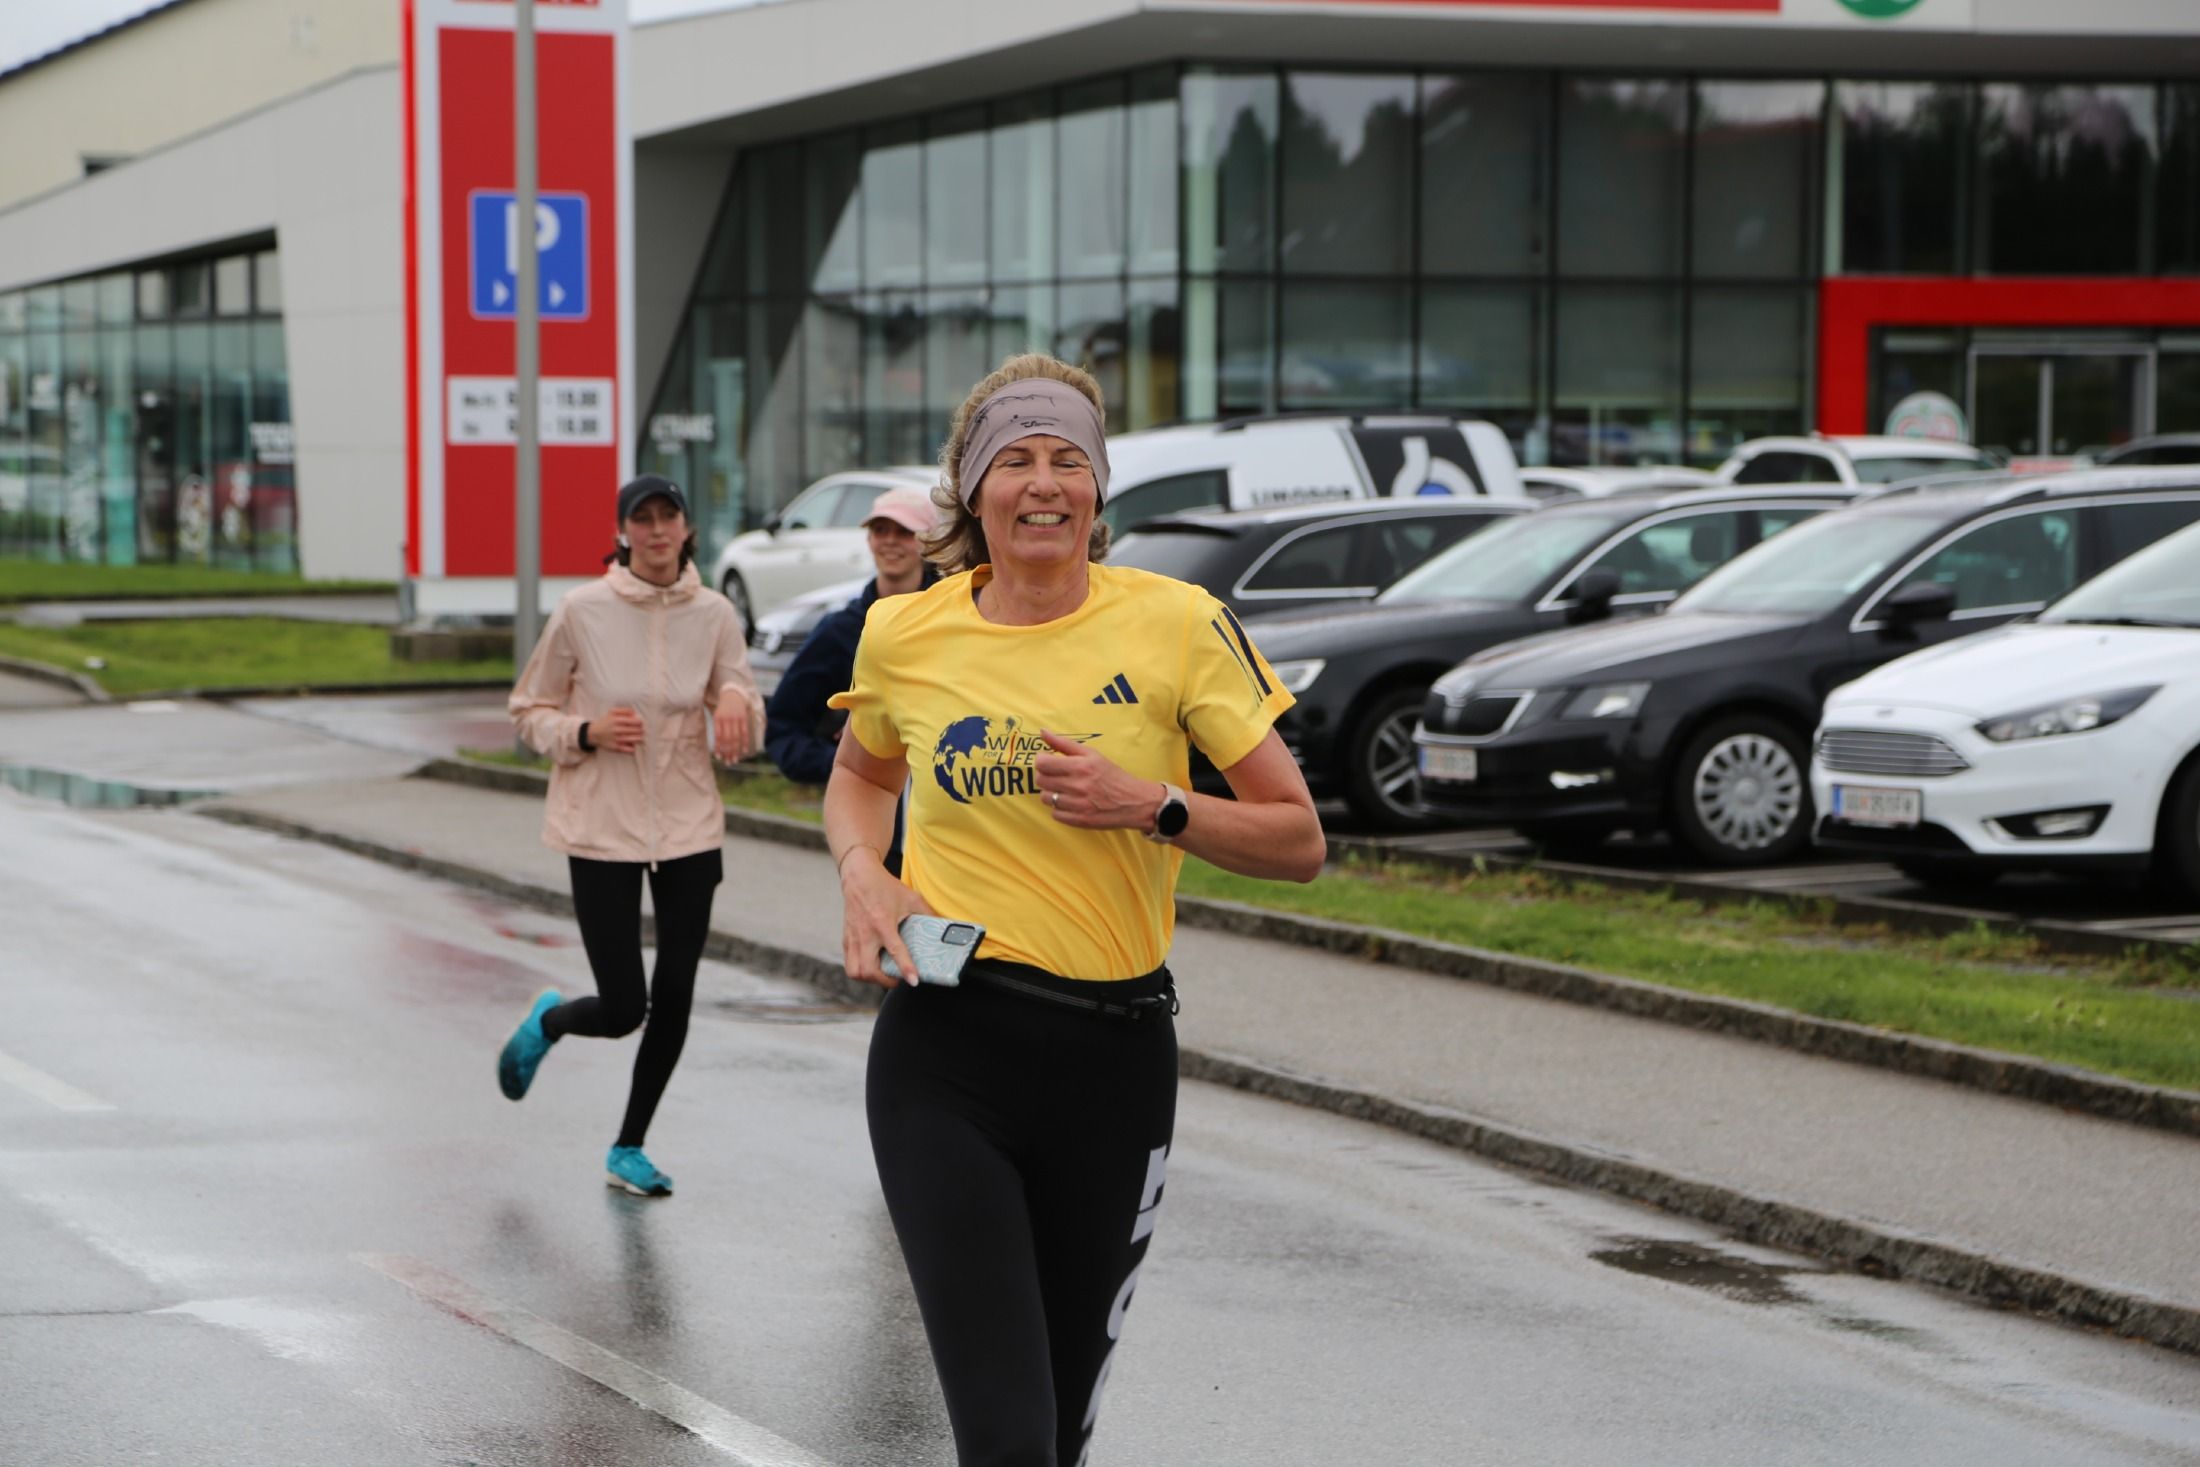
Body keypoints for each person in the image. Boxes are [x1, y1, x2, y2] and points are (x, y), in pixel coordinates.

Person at [823, 355, 1325, 1466]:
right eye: (1015, 460)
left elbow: (1298, 839)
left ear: (1098, 490)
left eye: (1067, 460)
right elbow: (858, 776)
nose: (1043, 483)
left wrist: (1154, 805)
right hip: (946, 1050)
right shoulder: (906, 631)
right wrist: (864, 871)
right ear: (973, 489)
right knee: (1007, 1439)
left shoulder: (1179, 624)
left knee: (1060, 1428)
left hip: (1115, 1062)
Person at [498, 473, 763, 1199]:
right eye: (641, 519)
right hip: (600, 827)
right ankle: (551, 1021)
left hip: (688, 825)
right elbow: (528, 710)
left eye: (667, 516)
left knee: (675, 995)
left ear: (687, 529)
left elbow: (742, 704)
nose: (655, 530)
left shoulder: (714, 614)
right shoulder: (582, 610)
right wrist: (584, 731)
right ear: (622, 533)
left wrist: (736, 702)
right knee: (624, 1009)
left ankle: (629, 1146)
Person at [764, 484, 942, 789]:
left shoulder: (952, 619)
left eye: (904, 532)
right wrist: (844, 764)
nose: (890, 541)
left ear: (929, 542)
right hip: (866, 809)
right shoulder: (840, 630)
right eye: (880, 530)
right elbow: (783, 726)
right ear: (869, 539)